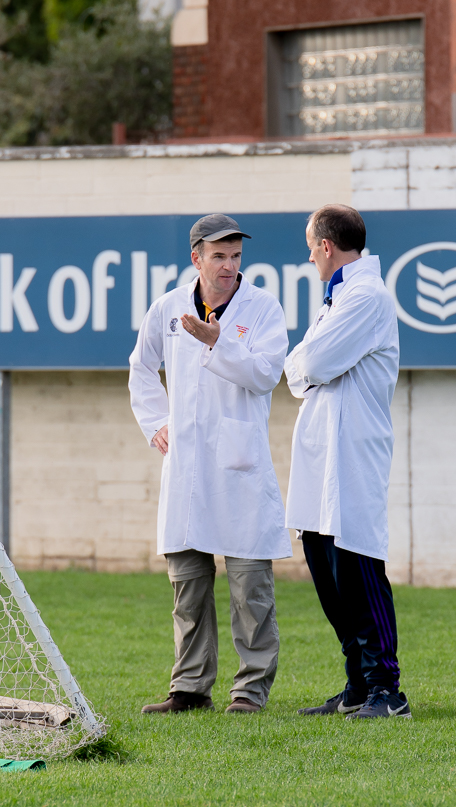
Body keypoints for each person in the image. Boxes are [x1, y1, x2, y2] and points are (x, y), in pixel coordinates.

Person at [129, 214, 291, 715]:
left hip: (239, 466)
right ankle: (190, 688)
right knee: (188, 586)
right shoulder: (168, 307)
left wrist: (218, 341)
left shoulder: (262, 308)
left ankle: (249, 691)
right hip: (186, 468)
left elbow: (266, 374)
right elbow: (140, 367)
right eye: (218, 255)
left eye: (236, 255)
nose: (229, 265)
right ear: (196, 257)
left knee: (250, 591)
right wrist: (156, 421)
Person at [284, 204, 411, 720]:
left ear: (324, 247)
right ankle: (357, 683)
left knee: (358, 565)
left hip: (353, 452)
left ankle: (388, 688)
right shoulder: (337, 299)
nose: (309, 256)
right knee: (326, 568)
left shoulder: (366, 297)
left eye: (310, 247)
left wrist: (307, 367)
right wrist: (308, 368)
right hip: (321, 453)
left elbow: (308, 363)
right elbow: (301, 372)